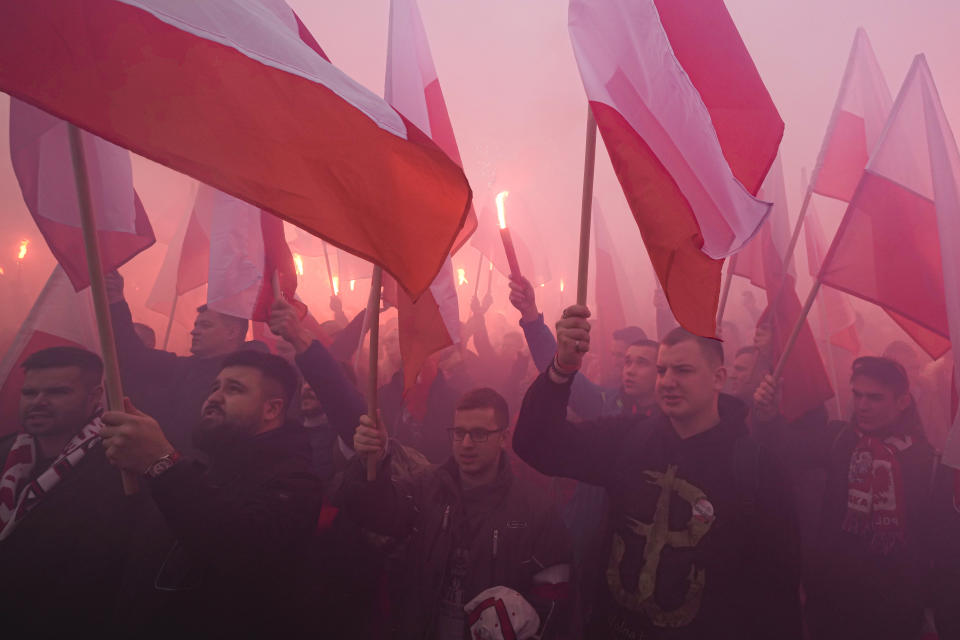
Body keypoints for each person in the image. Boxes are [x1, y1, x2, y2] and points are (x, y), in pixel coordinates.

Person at [513, 307, 802, 639]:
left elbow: (778, 595)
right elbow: (536, 445)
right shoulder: (630, 438)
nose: (667, 382)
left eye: (683, 370)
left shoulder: (758, 470)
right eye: (663, 370)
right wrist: (561, 369)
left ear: (718, 378)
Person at [104, 350, 323, 637]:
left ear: (271, 409)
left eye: (234, 389)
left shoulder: (296, 482)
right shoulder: (204, 467)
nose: (214, 397)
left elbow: (241, 547)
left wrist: (163, 465)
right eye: (214, 387)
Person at [342, 387, 574, 639]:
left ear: (503, 437)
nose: (466, 444)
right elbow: (374, 511)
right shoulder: (425, 487)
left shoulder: (536, 511)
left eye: (479, 434)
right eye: (459, 433)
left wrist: (525, 624)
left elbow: (556, 600)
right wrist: (371, 463)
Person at [753, 356, 947, 639]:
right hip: (832, 605)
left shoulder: (926, 461)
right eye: (857, 395)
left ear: (903, 401)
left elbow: (935, 542)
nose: (863, 406)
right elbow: (787, 449)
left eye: (875, 398)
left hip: (896, 612)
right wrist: (769, 417)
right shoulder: (838, 439)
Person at [0, 347, 138, 635]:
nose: (38, 402)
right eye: (29, 393)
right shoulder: (4, 451)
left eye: (57, 392)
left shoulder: (120, 465)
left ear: (95, 396)